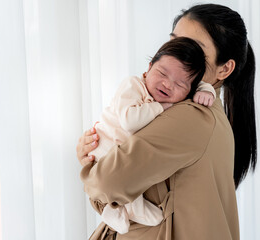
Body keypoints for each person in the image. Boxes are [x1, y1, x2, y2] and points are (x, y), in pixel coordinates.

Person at [77, 3, 257, 240]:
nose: (180, 54)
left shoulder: (192, 116)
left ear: (224, 69)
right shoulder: (198, 110)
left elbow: (106, 183)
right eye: (175, 42)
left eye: (195, 49)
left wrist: (88, 166)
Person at [90, 37, 214, 234]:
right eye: (162, 73)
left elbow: (197, 86)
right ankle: (119, 210)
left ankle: (121, 210)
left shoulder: (186, 106)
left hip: (120, 146)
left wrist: (206, 90)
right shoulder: (133, 85)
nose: (167, 84)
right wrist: (160, 107)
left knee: (132, 175)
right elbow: (130, 122)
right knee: (123, 176)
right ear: (148, 68)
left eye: (180, 84)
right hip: (103, 143)